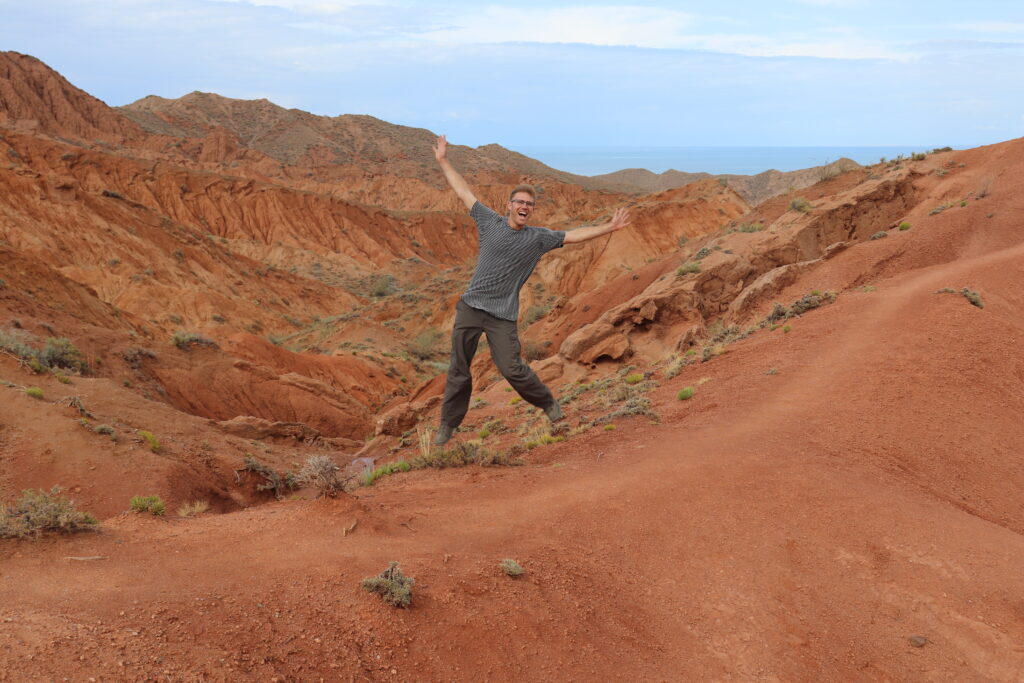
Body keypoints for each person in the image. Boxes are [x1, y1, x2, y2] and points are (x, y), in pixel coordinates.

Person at [432, 135, 632, 445]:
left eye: (529, 204)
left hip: (502, 315)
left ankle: (549, 405)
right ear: (508, 206)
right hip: (471, 307)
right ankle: (447, 427)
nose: (524, 207)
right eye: (520, 202)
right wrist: (444, 161)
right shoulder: (489, 221)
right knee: (459, 368)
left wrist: (610, 227)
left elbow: (575, 235)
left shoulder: (538, 238)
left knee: (512, 368)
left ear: (531, 210)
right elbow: (463, 191)